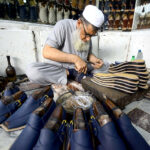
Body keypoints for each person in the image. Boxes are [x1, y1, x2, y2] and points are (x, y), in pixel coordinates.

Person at [26, 5, 108, 85]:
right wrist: (75, 59)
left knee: (105, 66)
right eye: (87, 34)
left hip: (81, 69)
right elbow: (47, 51)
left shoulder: (87, 35)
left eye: (91, 36)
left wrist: (94, 59)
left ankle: (77, 75)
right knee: (32, 71)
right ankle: (72, 74)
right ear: (79, 23)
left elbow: (86, 54)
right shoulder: (63, 25)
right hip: (60, 69)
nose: (88, 39)